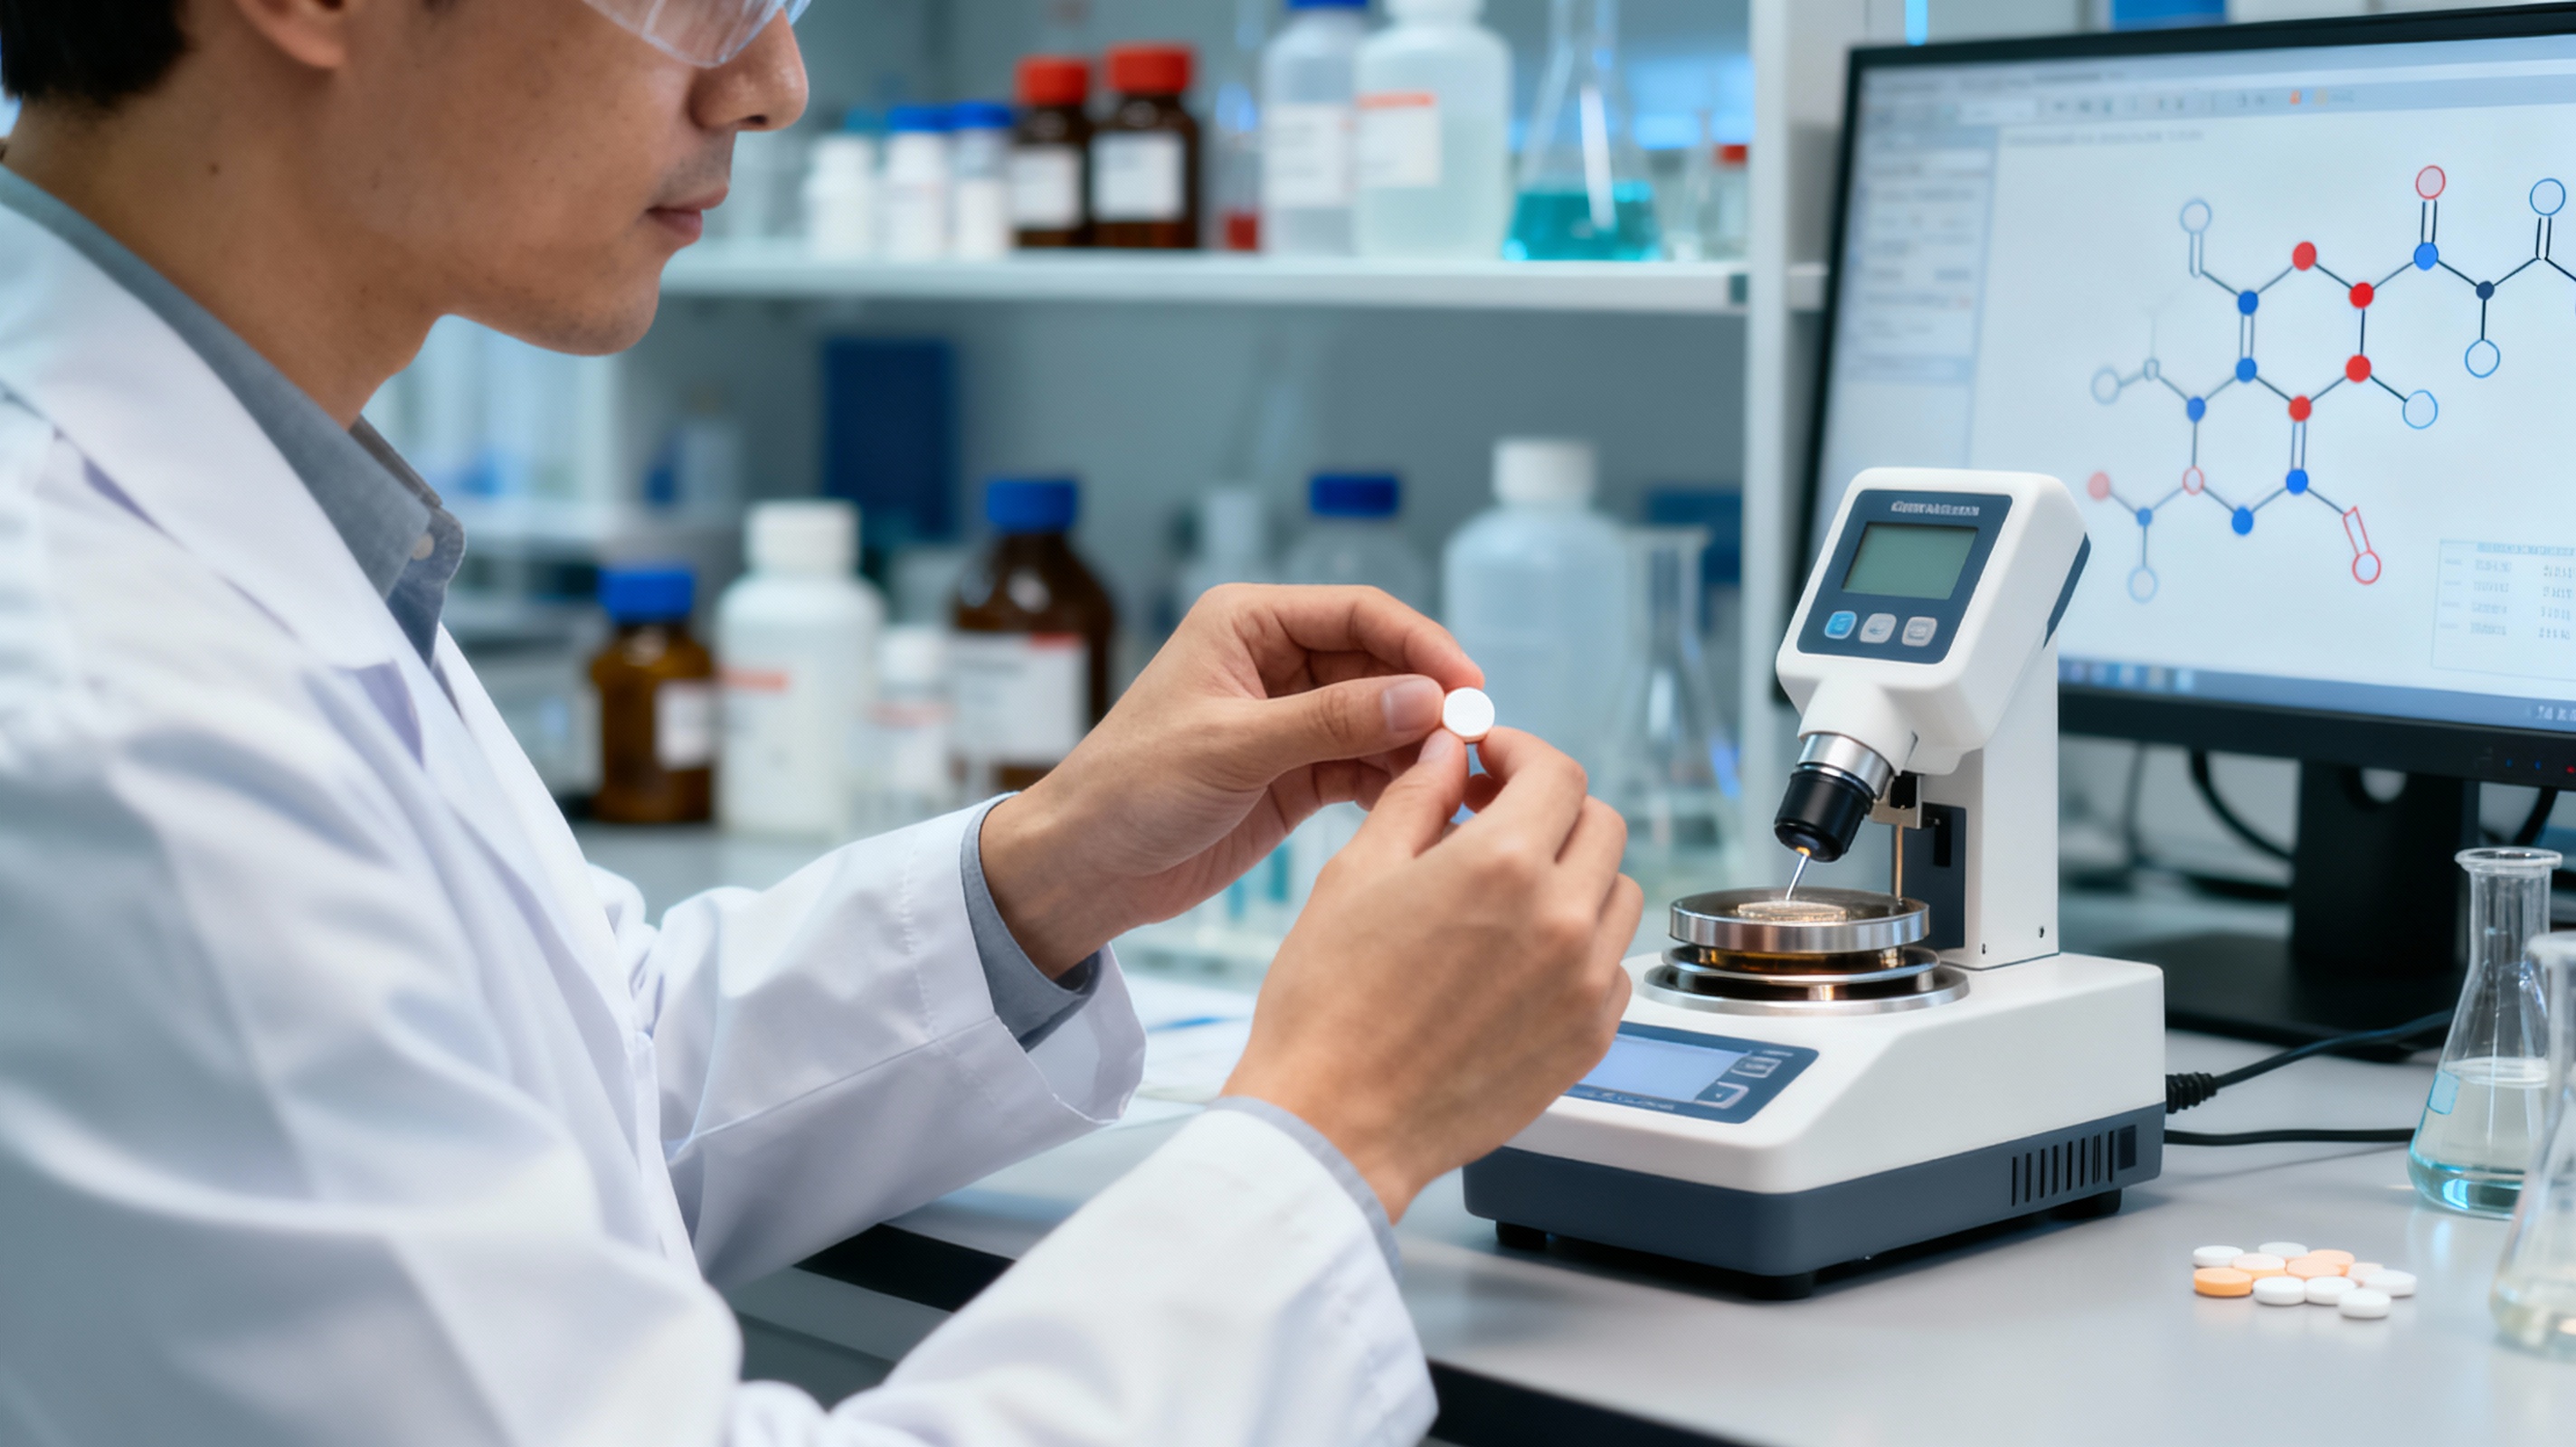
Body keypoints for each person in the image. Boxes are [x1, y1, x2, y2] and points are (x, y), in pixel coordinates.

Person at [0, 2, 1642, 1443]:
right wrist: (1337, 1124)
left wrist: (1044, 876)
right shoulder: (108, 718)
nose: (774, 85)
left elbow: (563, 1082)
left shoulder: (230, 516)